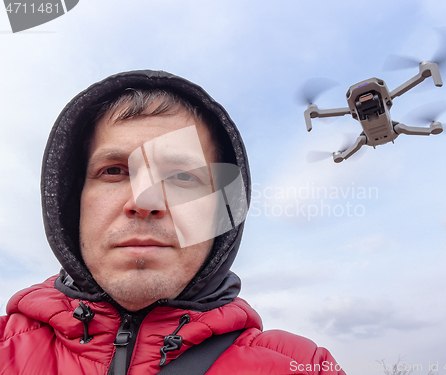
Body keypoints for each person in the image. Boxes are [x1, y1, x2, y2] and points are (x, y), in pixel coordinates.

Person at [0, 70, 345, 374]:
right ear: (72, 201)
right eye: (115, 171)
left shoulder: (305, 368)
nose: (144, 202)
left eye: (181, 176)